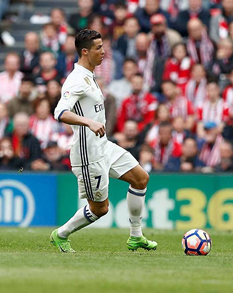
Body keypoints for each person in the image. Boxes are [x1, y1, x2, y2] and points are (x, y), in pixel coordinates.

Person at [51, 29, 157, 253]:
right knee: (100, 209)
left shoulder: (89, 75)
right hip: (88, 154)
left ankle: (136, 236)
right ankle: (61, 234)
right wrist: (87, 122)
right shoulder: (76, 80)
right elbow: (59, 112)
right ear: (85, 51)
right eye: (98, 47)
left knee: (140, 178)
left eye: (103, 46)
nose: (103, 51)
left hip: (104, 145)